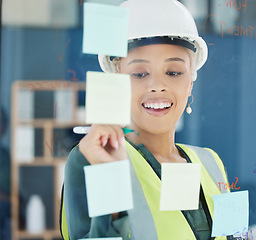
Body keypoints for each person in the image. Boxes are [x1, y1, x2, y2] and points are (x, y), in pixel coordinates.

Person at [60, 0, 230, 239]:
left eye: (173, 72)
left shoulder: (211, 163)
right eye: (139, 73)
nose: (157, 86)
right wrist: (110, 175)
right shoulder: (91, 158)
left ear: (190, 83)